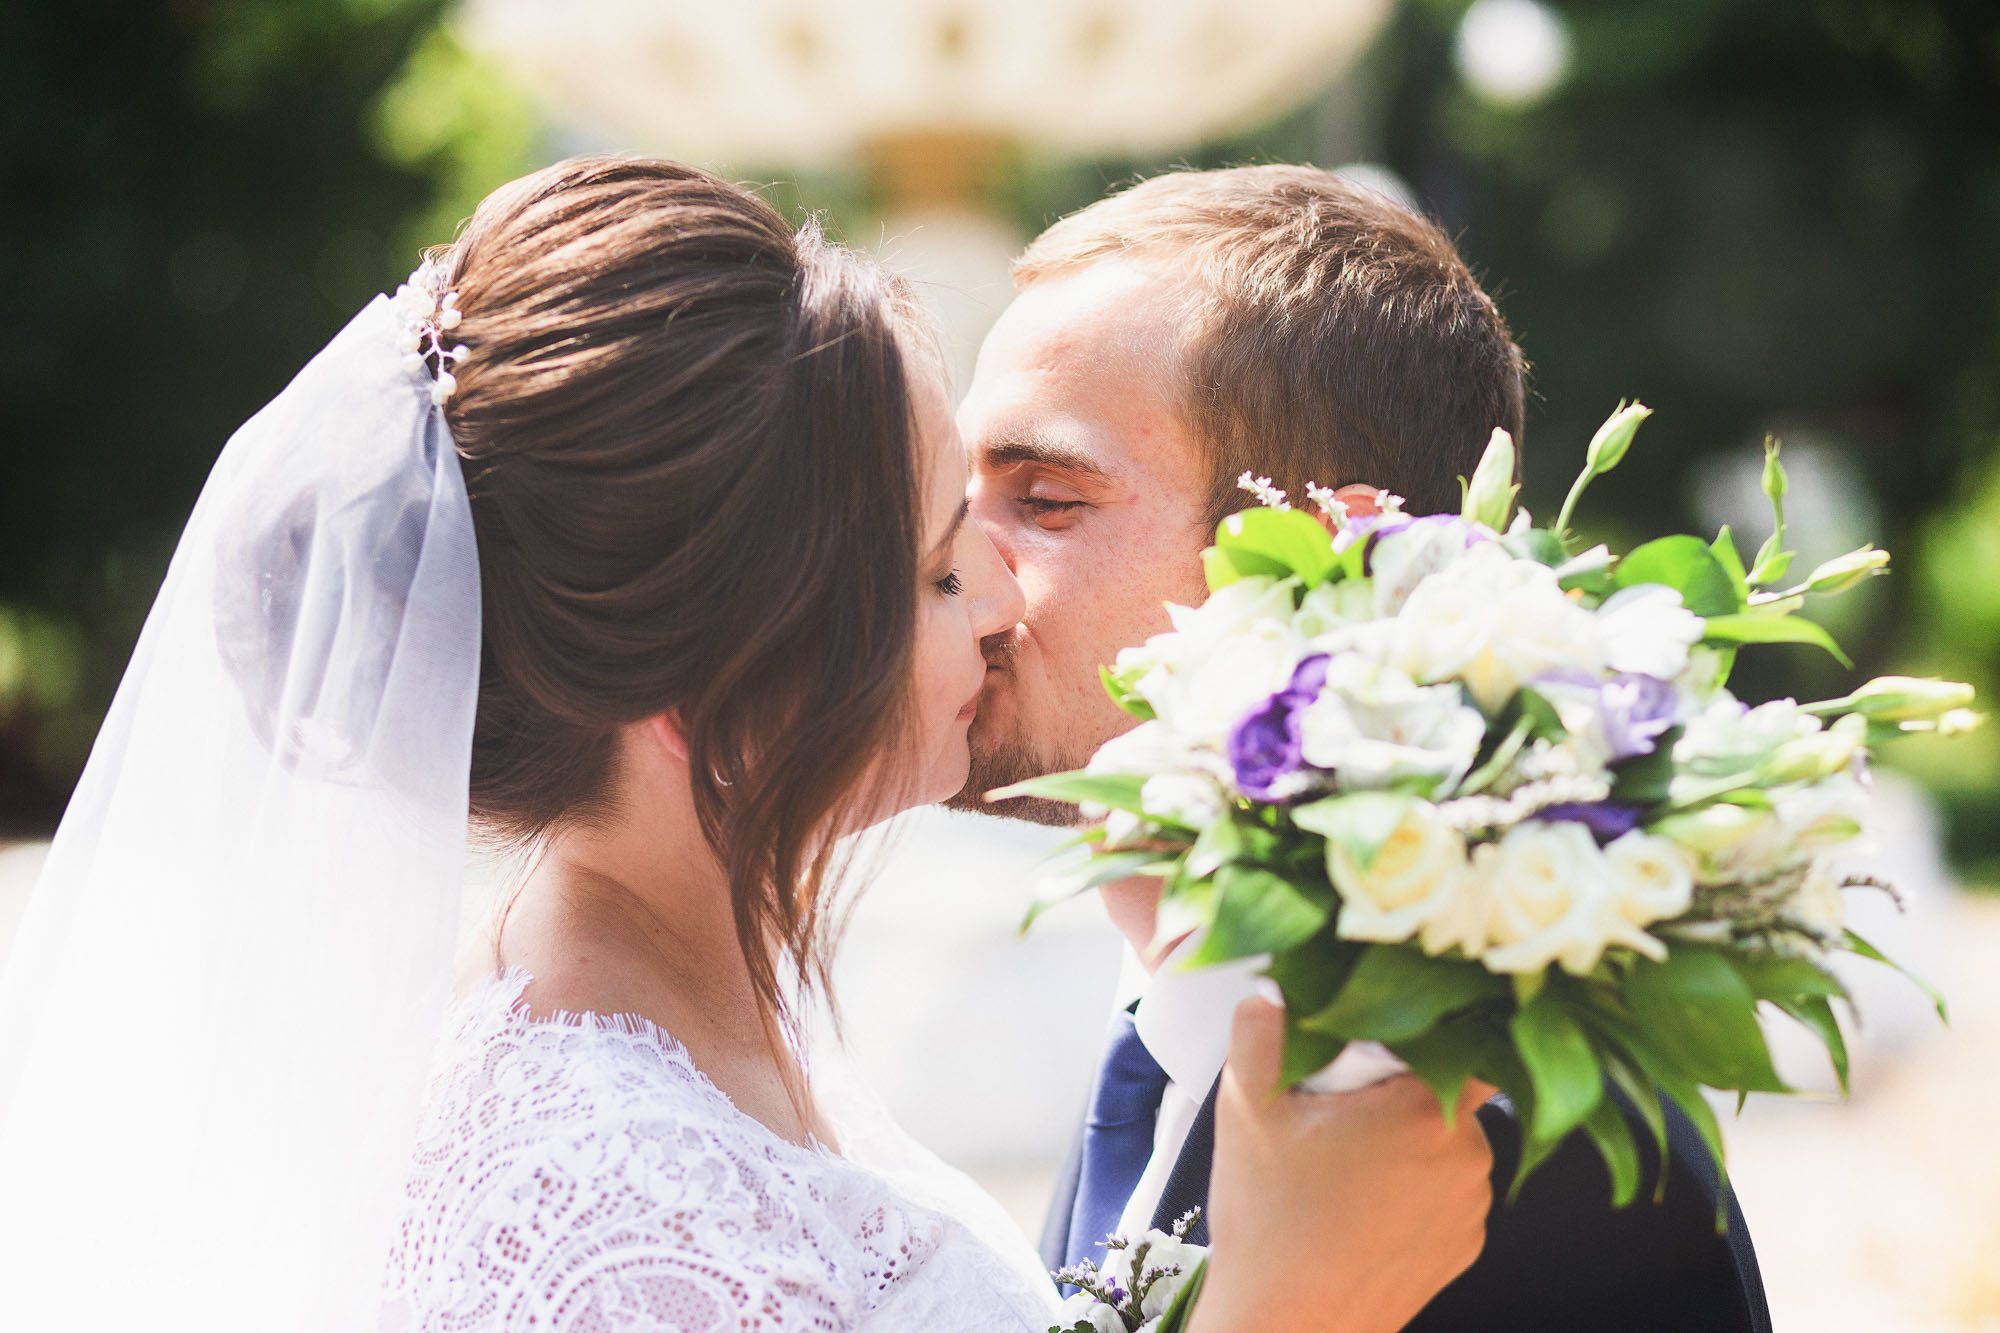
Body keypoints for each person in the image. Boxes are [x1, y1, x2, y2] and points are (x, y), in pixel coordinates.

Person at [0, 156, 1494, 1333]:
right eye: (931, 563)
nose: (990, 601)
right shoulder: (594, 1196)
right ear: (715, 680)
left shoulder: (709, 1034)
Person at [953, 164, 1773, 1332]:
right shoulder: (1159, 1026)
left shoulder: (1495, 1157)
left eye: (1044, 500)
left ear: (1326, 553)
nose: (951, 565)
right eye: (954, 492)